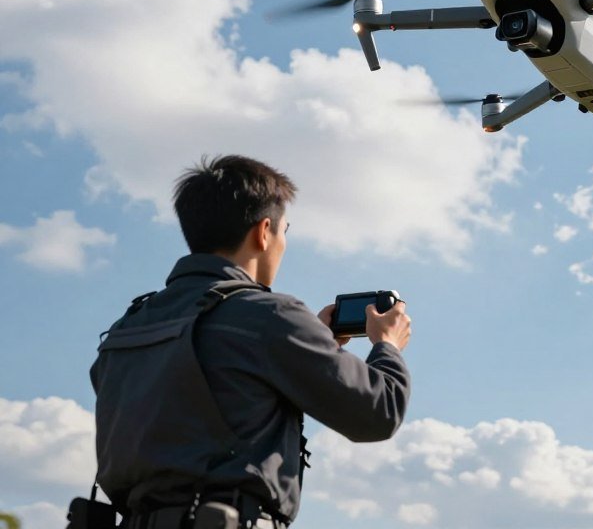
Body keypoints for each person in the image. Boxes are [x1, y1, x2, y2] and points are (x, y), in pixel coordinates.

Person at [89, 155, 411, 528]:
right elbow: (377, 414)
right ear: (263, 231)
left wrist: (313, 344)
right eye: (284, 230)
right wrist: (386, 346)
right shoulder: (270, 317)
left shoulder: (127, 326)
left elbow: (199, 400)